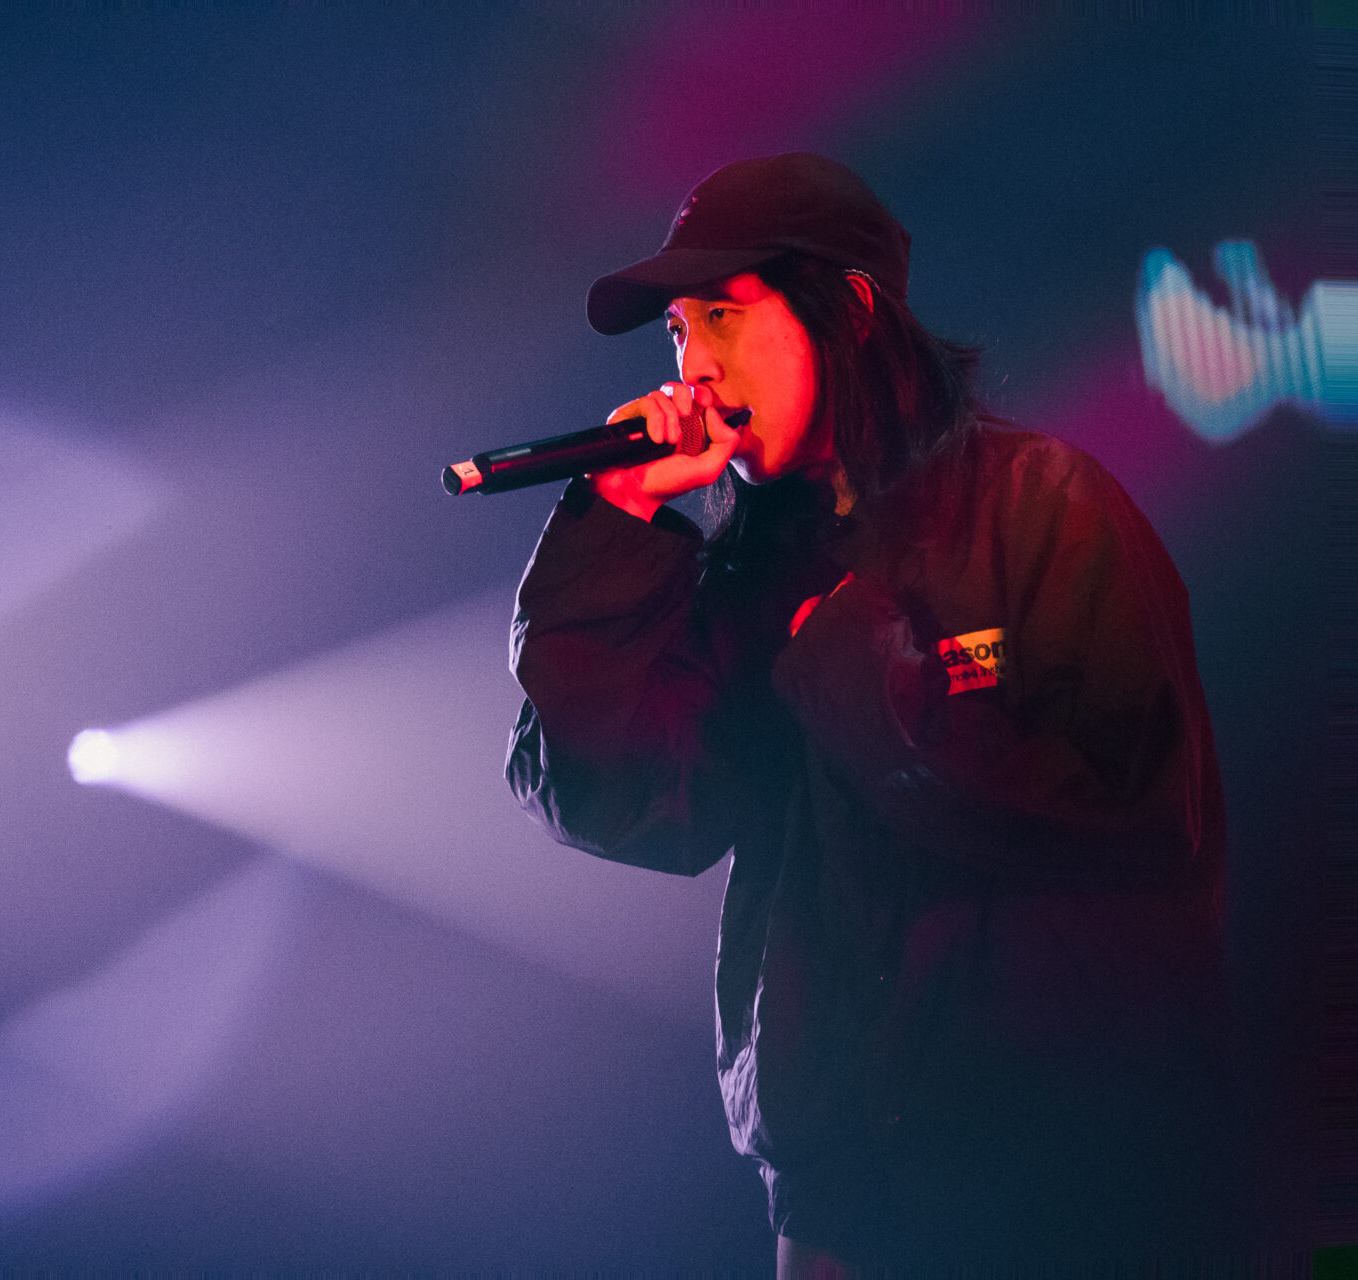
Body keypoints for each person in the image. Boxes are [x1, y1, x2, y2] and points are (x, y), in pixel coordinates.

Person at [506, 154, 1242, 1270]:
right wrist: (615, 524)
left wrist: (855, 660)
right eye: (677, 334)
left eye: (721, 314)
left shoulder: (1044, 507)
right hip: (840, 1192)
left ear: (848, 309)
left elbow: (1134, 812)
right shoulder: (749, 576)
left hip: (1067, 1174)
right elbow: (625, 802)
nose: (693, 366)